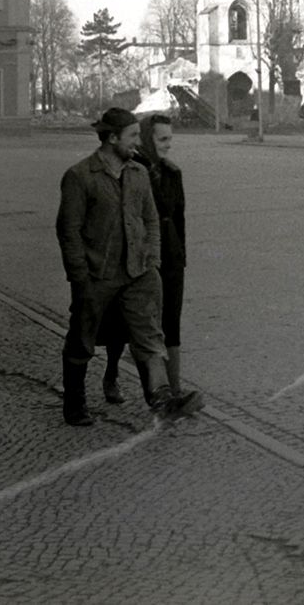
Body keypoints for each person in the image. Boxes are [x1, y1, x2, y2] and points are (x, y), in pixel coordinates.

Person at [55, 107, 199, 426]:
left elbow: (150, 219)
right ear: (111, 138)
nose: (138, 141)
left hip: (138, 272)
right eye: (132, 135)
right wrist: (80, 276)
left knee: (149, 334)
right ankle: (74, 403)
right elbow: (68, 231)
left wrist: (153, 261)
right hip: (97, 275)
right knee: (83, 337)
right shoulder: (80, 176)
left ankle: (161, 398)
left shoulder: (138, 173)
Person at [99, 114, 202, 415]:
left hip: (170, 258)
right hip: (138, 257)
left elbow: (179, 219)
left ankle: (173, 391)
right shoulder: (131, 171)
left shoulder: (172, 173)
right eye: (162, 139)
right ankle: (112, 373)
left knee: (170, 321)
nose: (169, 145)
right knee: (128, 324)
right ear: (147, 139)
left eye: (170, 139)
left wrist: (180, 257)